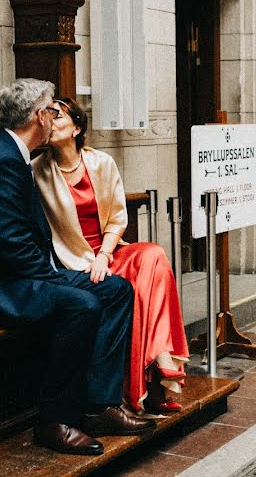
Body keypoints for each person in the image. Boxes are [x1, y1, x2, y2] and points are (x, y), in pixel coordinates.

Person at [0, 78, 155, 456]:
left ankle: (100, 405)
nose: (56, 115)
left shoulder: (13, 153)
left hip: (14, 274)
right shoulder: (3, 159)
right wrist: (62, 281)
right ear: (40, 116)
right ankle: (54, 420)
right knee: (81, 304)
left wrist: (67, 276)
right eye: (53, 109)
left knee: (117, 290)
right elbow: (15, 249)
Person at [32, 97, 189, 414]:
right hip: (73, 264)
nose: (50, 123)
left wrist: (104, 255)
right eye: (46, 118)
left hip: (107, 253)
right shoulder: (37, 172)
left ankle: (160, 373)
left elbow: (118, 218)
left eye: (58, 117)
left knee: (153, 257)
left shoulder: (101, 163)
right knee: (130, 290)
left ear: (77, 127)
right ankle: (150, 386)